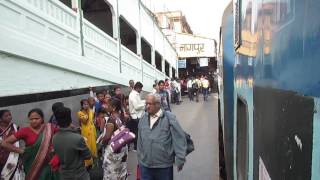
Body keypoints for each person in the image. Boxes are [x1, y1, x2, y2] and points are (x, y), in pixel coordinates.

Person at [137, 93, 187, 180]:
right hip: (145, 166)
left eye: (150, 104)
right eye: (146, 104)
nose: (147, 106)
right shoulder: (143, 118)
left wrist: (180, 158)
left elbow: (179, 139)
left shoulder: (169, 118)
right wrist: (140, 158)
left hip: (163, 166)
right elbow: (140, 140)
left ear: (158, 104)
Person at [1, 108, 60, 180]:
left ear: (42, 119)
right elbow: (4, 143)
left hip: (49, 163)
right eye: (31, 119)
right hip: (32, 165)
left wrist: (57, 155)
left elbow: (63, 139)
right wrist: (21, 151)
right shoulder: (24, 131)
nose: (34, 121)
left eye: (36, 118)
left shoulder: (49, 128)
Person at [53, 107, 92, 180]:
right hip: (79, 175)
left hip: (64, 174)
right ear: (70, 120)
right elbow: (88, 156)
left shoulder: (54, 138)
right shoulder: (78, 138)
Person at [102, 98, 128, 180]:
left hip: (113, 151)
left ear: (113, 108)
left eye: (108, 105)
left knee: (111, 172)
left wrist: (101, 143)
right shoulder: (121, 116)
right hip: (122, 148)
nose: (106, 107)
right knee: (120, 171)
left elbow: (107, 137)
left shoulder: (111, 120)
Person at [0, 110, 21, 179]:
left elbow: (19, 143)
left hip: (14, 158)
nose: (9, 117)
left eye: (10, 115)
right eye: (6, 116)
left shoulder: (15, 127)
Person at [77, 99, 97, 168]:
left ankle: (94, 160)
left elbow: (93, 120)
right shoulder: (80, 113)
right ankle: (88, 163)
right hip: (85, 132)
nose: (86, 105)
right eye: (84, 104)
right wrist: (87, 113)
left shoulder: (91, 111)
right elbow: (84, 121)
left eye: (87, 104)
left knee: (93, 146)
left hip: (92, 130)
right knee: (87, 146)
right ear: (82, 105)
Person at [128, 82, 145, 150]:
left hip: (137, 116)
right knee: (137, 132)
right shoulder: (133, 95)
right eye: (141, 89)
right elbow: (137, 107)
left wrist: (144, 101)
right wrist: (145, 105)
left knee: (138, 132)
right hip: (135, 116)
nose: (141, 90)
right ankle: (136, 147)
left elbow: (139, 102)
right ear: (137, 88)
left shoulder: (136, 94)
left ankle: (137, 146)